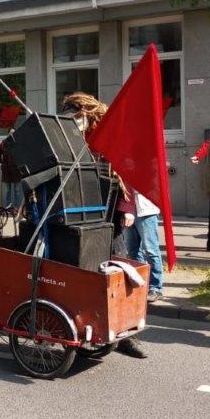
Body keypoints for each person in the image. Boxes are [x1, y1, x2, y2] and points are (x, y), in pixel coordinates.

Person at [60, 92, 147, 359]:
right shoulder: (72, 138)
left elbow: (125, 170)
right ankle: (85, 327)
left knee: (117, 271)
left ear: (84, 113)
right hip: (81, 213)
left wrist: (127, 208)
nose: (72, 124)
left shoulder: (109, 135)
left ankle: (125, 335)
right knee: (85, 273)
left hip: (111, 214)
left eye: (74, 117)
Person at [122, 189, 166, 304]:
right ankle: (141, 283)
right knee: (132, 250)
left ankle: (156, 288)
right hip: (129, 207)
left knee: (150, 250)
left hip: (145, 208)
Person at [0, 127, 23, 209]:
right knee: (7, 191)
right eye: (10, 133)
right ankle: (8, 208)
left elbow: (23, 155)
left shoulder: (18, 143)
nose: (12, 134)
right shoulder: (4, 143)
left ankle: (16, 208)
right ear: (8, 134)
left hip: (16, 171)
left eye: (13, 133)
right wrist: (0, 163)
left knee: (17, 191)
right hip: (6, 171)